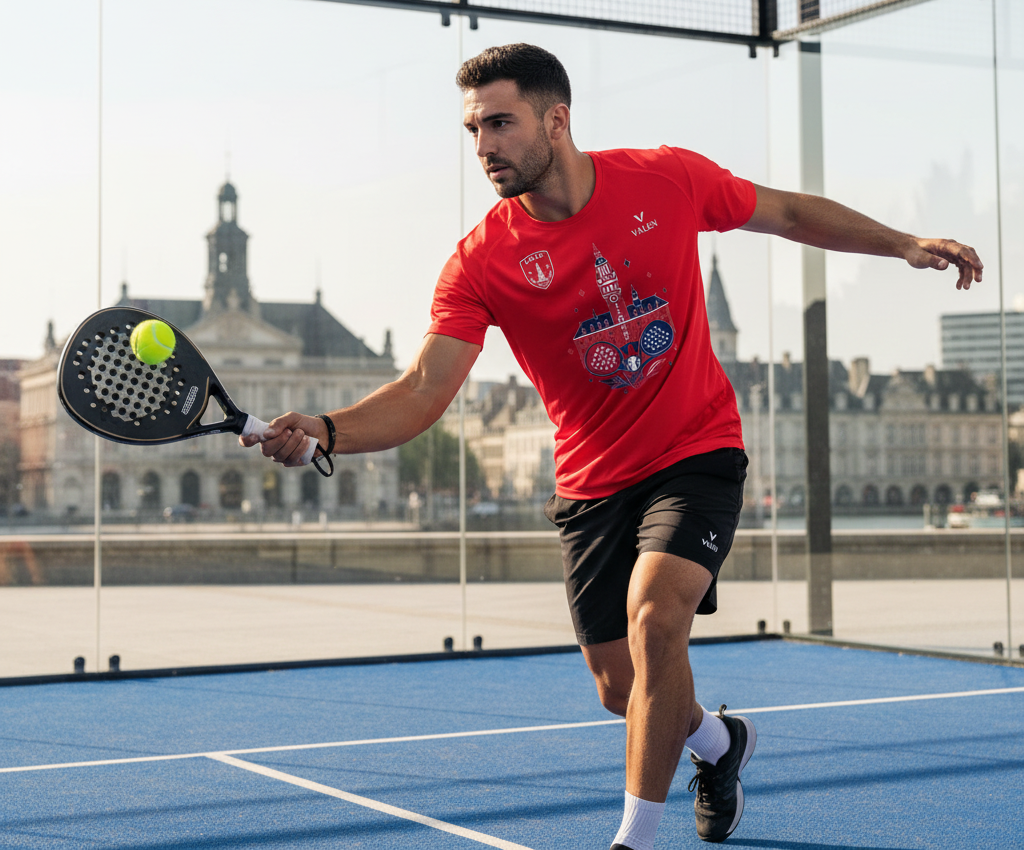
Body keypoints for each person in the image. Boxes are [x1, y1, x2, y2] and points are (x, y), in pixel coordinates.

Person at [242, 43, 982, 848]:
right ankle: (718, 742)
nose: (483, 145)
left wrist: (904, 243)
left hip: (698, 451)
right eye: (472, 129)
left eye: (499, 122)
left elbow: (790, 214)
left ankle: (633, 838)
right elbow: (424, 389)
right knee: (618, 686)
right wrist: (329, 430)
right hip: (593, 483)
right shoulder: (479, 261)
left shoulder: (665, 178)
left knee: (657, 621)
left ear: (556, 120)